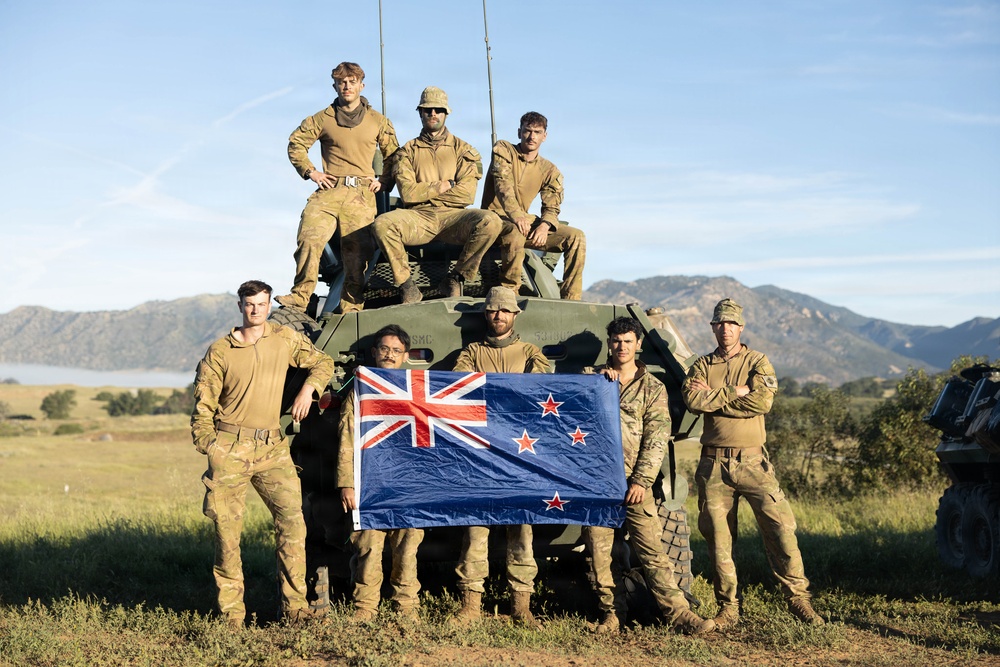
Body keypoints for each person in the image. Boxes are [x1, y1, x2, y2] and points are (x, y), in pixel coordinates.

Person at [190, 279, 334, 627]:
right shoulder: (220, 351)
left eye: (262, 304)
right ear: (240, 306)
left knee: (293, 525)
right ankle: (232, 616)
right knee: (228, 535)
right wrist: (212, 447)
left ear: (270, 306)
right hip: (231, 448)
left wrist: (308, 391)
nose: (256, 310)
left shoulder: (283, 338)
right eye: (250, 304)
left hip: (273, 448)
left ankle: (295, 609)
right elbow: (203, 407)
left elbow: (323, 362)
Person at [682, 298, 824, 629]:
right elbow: (692, 400)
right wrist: (736, 391)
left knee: (781, 529)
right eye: (720, 323)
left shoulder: (757, 361)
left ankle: (798, 600)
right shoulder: (702, 364)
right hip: (714, 465)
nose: (726, 329)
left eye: (732, 323)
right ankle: (728, 607)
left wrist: (715, 396)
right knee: (719, 540)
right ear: (713, 327)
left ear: (741, 328)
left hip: (753, 462)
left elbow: (762, 402)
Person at [583, 317, 716, 635]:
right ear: (609, 343)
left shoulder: (652, 387)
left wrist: (641, 481)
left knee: (653, 552)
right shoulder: (592, 379)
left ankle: (679, 615)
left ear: (638, 344)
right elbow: (567, 400)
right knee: (600, 554)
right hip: (598, 482)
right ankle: (612, 615)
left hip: (634, 483)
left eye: (628, 341)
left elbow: (656, 439)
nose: (622, 346)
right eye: (617, 341)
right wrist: (596, 380)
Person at [451, 286, 550, 627]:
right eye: (493, 310)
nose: (499, 316)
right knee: (475, 530)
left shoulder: (531, 352)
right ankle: (470, 606)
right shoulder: (472, 352)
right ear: (486, 314)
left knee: (521, 531)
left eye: (505, 311)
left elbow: (540, 387)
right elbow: (460, 385)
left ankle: (522, 606)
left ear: (515, 315)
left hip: (520, 454)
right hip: (482, 452)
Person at [278, 61, 399, 314]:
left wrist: (385, 181)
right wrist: (311, 172)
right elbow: (296, 143)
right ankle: (301, 295)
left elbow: (394, 155)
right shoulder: (323, 118)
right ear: (334, 86)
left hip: (361, 193)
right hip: (329, 190)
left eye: (352, 82)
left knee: (357, 253)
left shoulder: (377, 121)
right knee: (309, 237)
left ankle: (351, 305)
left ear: (361, 86)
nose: (347, 86)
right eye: (341, 82)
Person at [373, 87, 503, 304]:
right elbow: (408, 193)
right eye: (427, 110)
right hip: (418, 217)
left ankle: (455, 278)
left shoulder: (464, 150)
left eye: (438, 110)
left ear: (446, 113)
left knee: (491, 221)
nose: (433, 114)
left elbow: (466, 195)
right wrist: (445, 185)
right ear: (420, 113)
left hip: (454, 218)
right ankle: (407, 286)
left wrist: (424, 192)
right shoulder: (407, 152)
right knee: (382, 224)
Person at [336, 324, 425, 622]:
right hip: (369, 481)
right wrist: (346, 483)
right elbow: (347, 437)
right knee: (368, 546)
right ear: (374, 352)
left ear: (405, 356)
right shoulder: (360, 389)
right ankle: (365, 607)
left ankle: (406, 606)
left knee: (407, 545)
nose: (390, 355)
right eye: (385, 349)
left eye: (396, 351)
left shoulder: (416, 389)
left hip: (408, 482)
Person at [482, 111, 586, 300]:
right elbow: (503, 187)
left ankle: (571, 299)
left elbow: (552, 205)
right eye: (527, 131)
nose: (532, 136)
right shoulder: (503, 150)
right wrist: (517, 215)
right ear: (519, 132)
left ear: (544, 136)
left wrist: (545, 226)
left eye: (537, 132)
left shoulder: (549, 170)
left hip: (524, 221)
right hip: (494, 219)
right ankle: (510, 293)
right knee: (516, 231)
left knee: (576, 237)